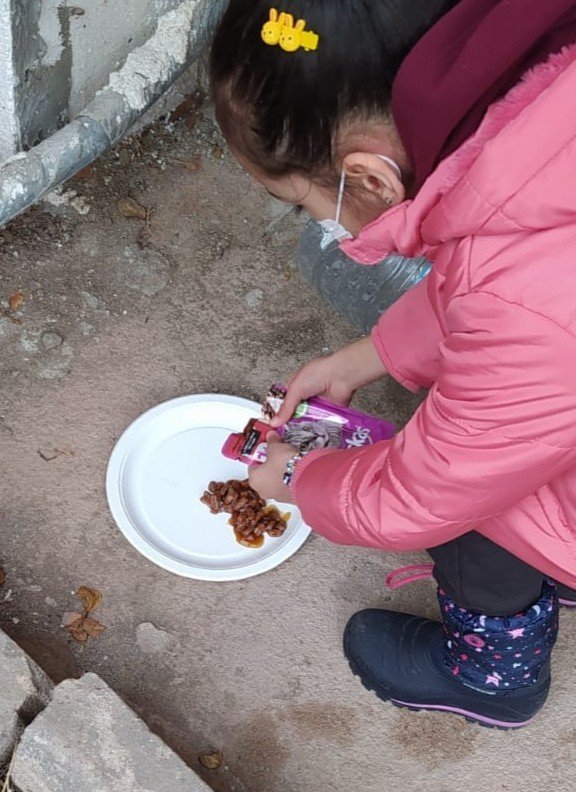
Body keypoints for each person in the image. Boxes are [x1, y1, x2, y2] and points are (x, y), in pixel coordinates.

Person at [209, 0, 576, 729]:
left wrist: (298, 479)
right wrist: (368, 355)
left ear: (370, 180)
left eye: (305, 206)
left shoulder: (518, 295)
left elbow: (427, 492)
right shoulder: (541, 124)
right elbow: (499, 298)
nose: (318, 224)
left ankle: (493, 674)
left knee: (474, 514)